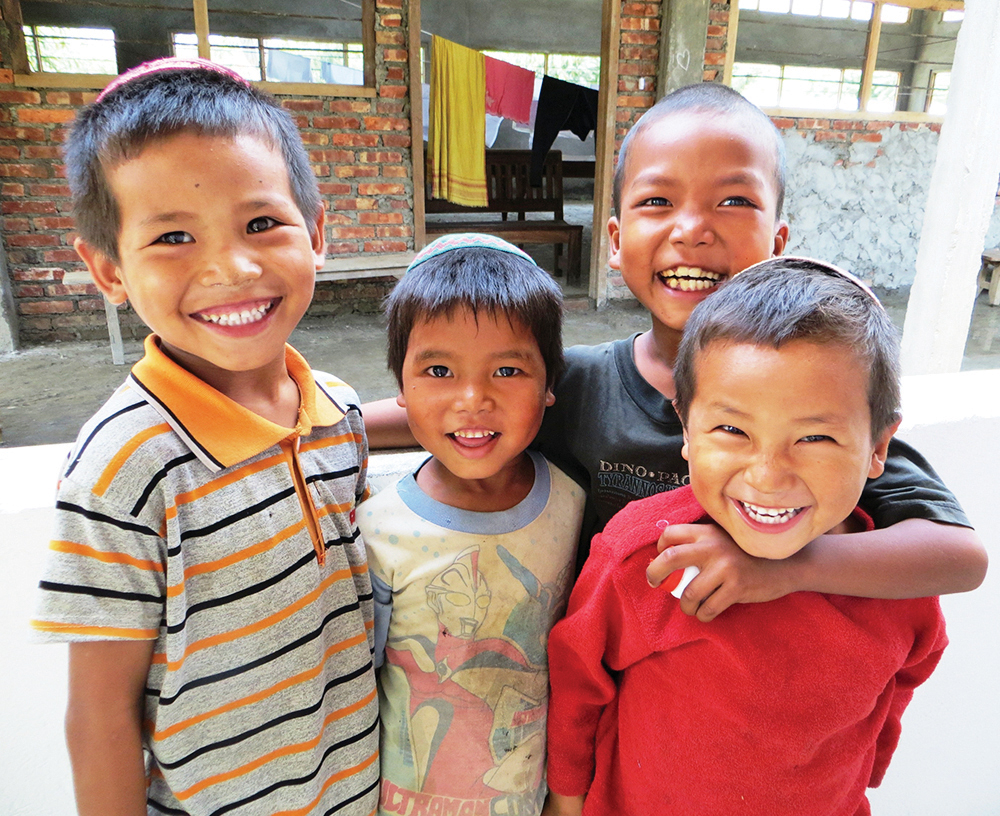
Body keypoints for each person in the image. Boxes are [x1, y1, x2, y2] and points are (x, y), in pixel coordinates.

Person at [31, 58, 379, 816]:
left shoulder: (338, 413)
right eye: (174, 238)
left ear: (316, 233)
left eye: (261, 223)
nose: (232, 266)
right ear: (109, 270)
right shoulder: (125, 467)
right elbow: (99, 717)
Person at [544, 258, 948, 815]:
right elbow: (578, 684)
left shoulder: (894, 583)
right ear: (686, 427)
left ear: (879, 445)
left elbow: (906, 675)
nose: (767, 475)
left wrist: (871, 767)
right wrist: (566, 805)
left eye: (815, 437)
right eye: (733, 430)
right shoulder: (648, 555)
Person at [357, 234, 585, 816]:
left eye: (507, 369)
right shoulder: (378, 530)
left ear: (549, 384)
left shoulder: (572, 502)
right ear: (401, 389)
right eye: (438, 369)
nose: (472, 398)